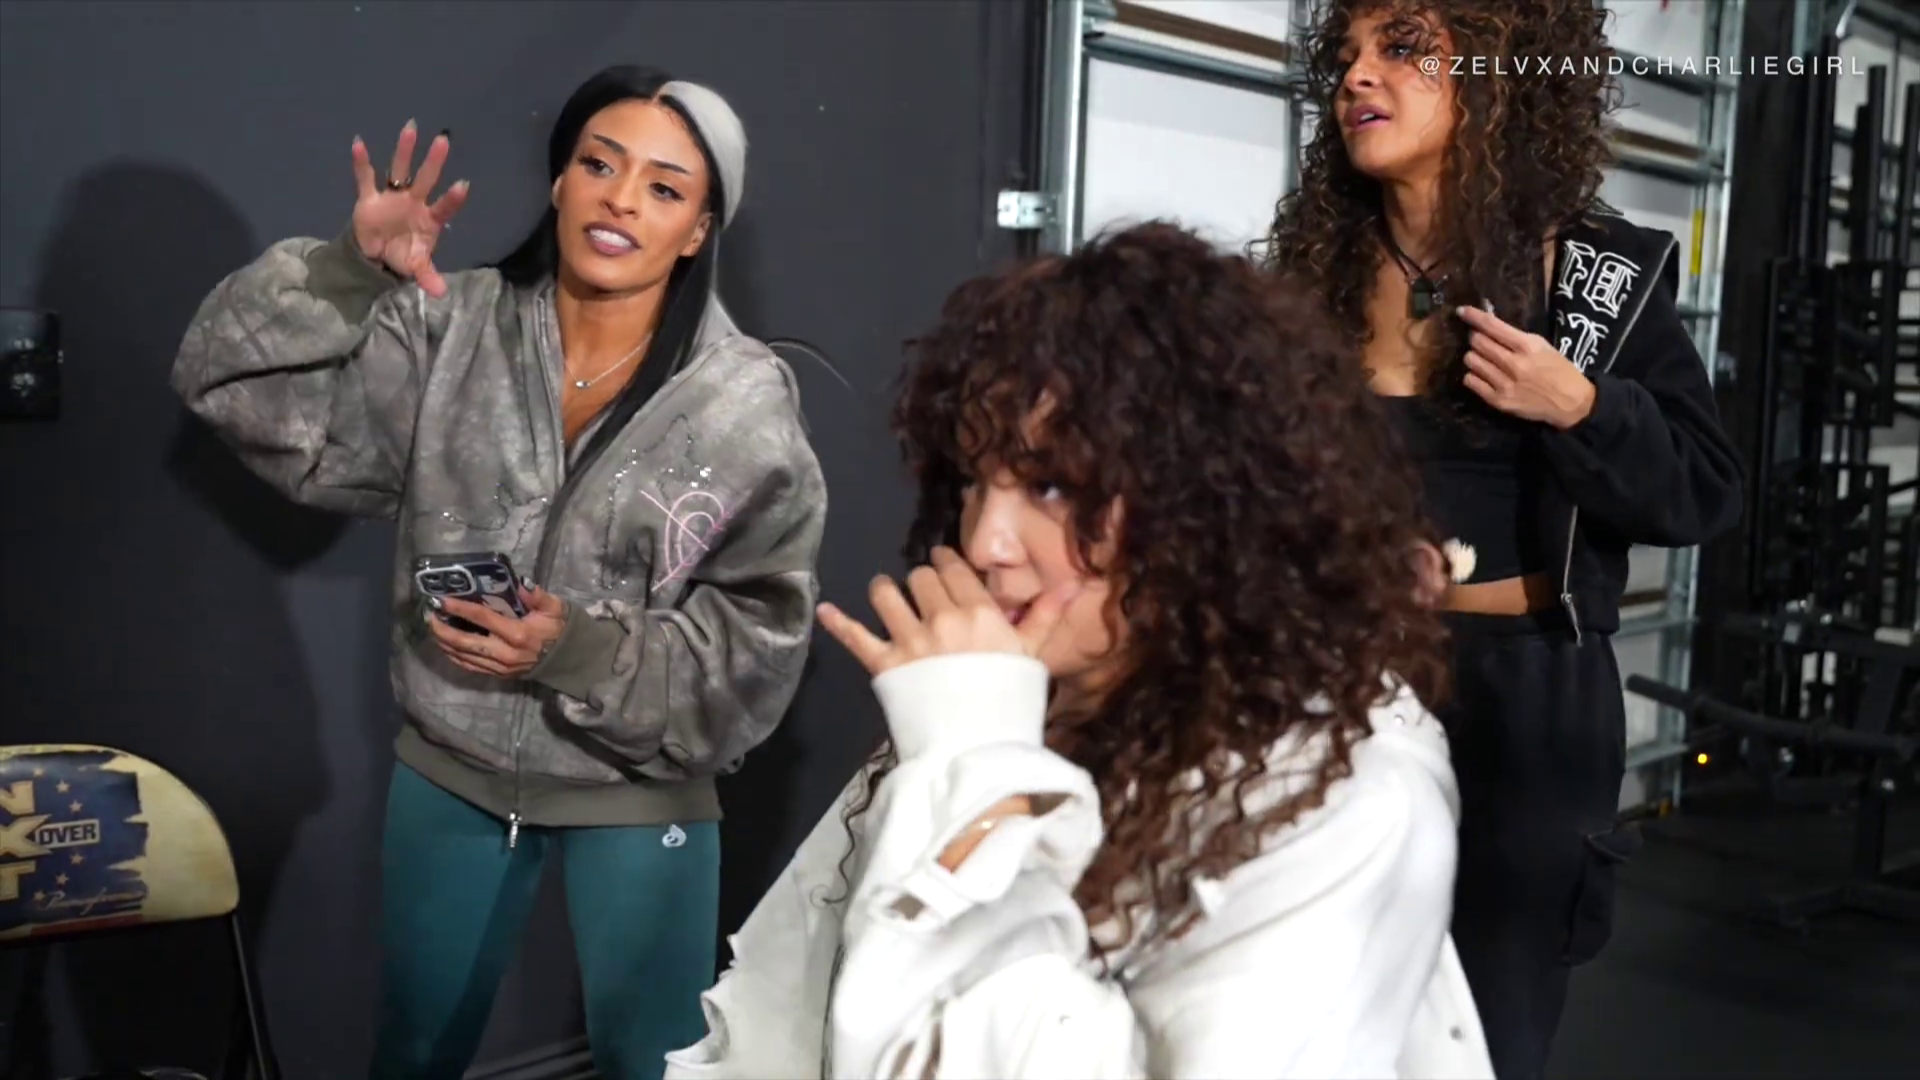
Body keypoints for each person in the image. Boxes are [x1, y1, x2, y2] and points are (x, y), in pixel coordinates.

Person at [662, 222, 1496, 1079]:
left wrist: (976, 759)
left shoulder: (1348, 790)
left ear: (1204, 500)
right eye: (976, 481)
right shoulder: (1023, 695)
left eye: (1053, 486)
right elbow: (799, 1014)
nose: (986, 542)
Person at [171, 66, 827, 1080]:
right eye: (599, 165)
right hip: (452, 771)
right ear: (560, 181)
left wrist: (577, 650)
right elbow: (233, 391)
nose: (620, 199)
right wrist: (347, 273)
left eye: (663, 187)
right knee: (414, 1054)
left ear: (700, 228)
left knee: (656, 1066)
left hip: (639, 793)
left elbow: (759, 641)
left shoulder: (741, 402)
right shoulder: (451, 323)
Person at [1262, 3, 1745, 1077]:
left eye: (1402, 49)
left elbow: (1703, 497)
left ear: (1497, 72)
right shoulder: (1310, 279)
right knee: (1312, 1027)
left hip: (1521, 704)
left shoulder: (1595, 275)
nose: (1357, 77)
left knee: (1488, 1035)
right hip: (1335, 689)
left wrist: (1584, 407)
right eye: (1346, 56)